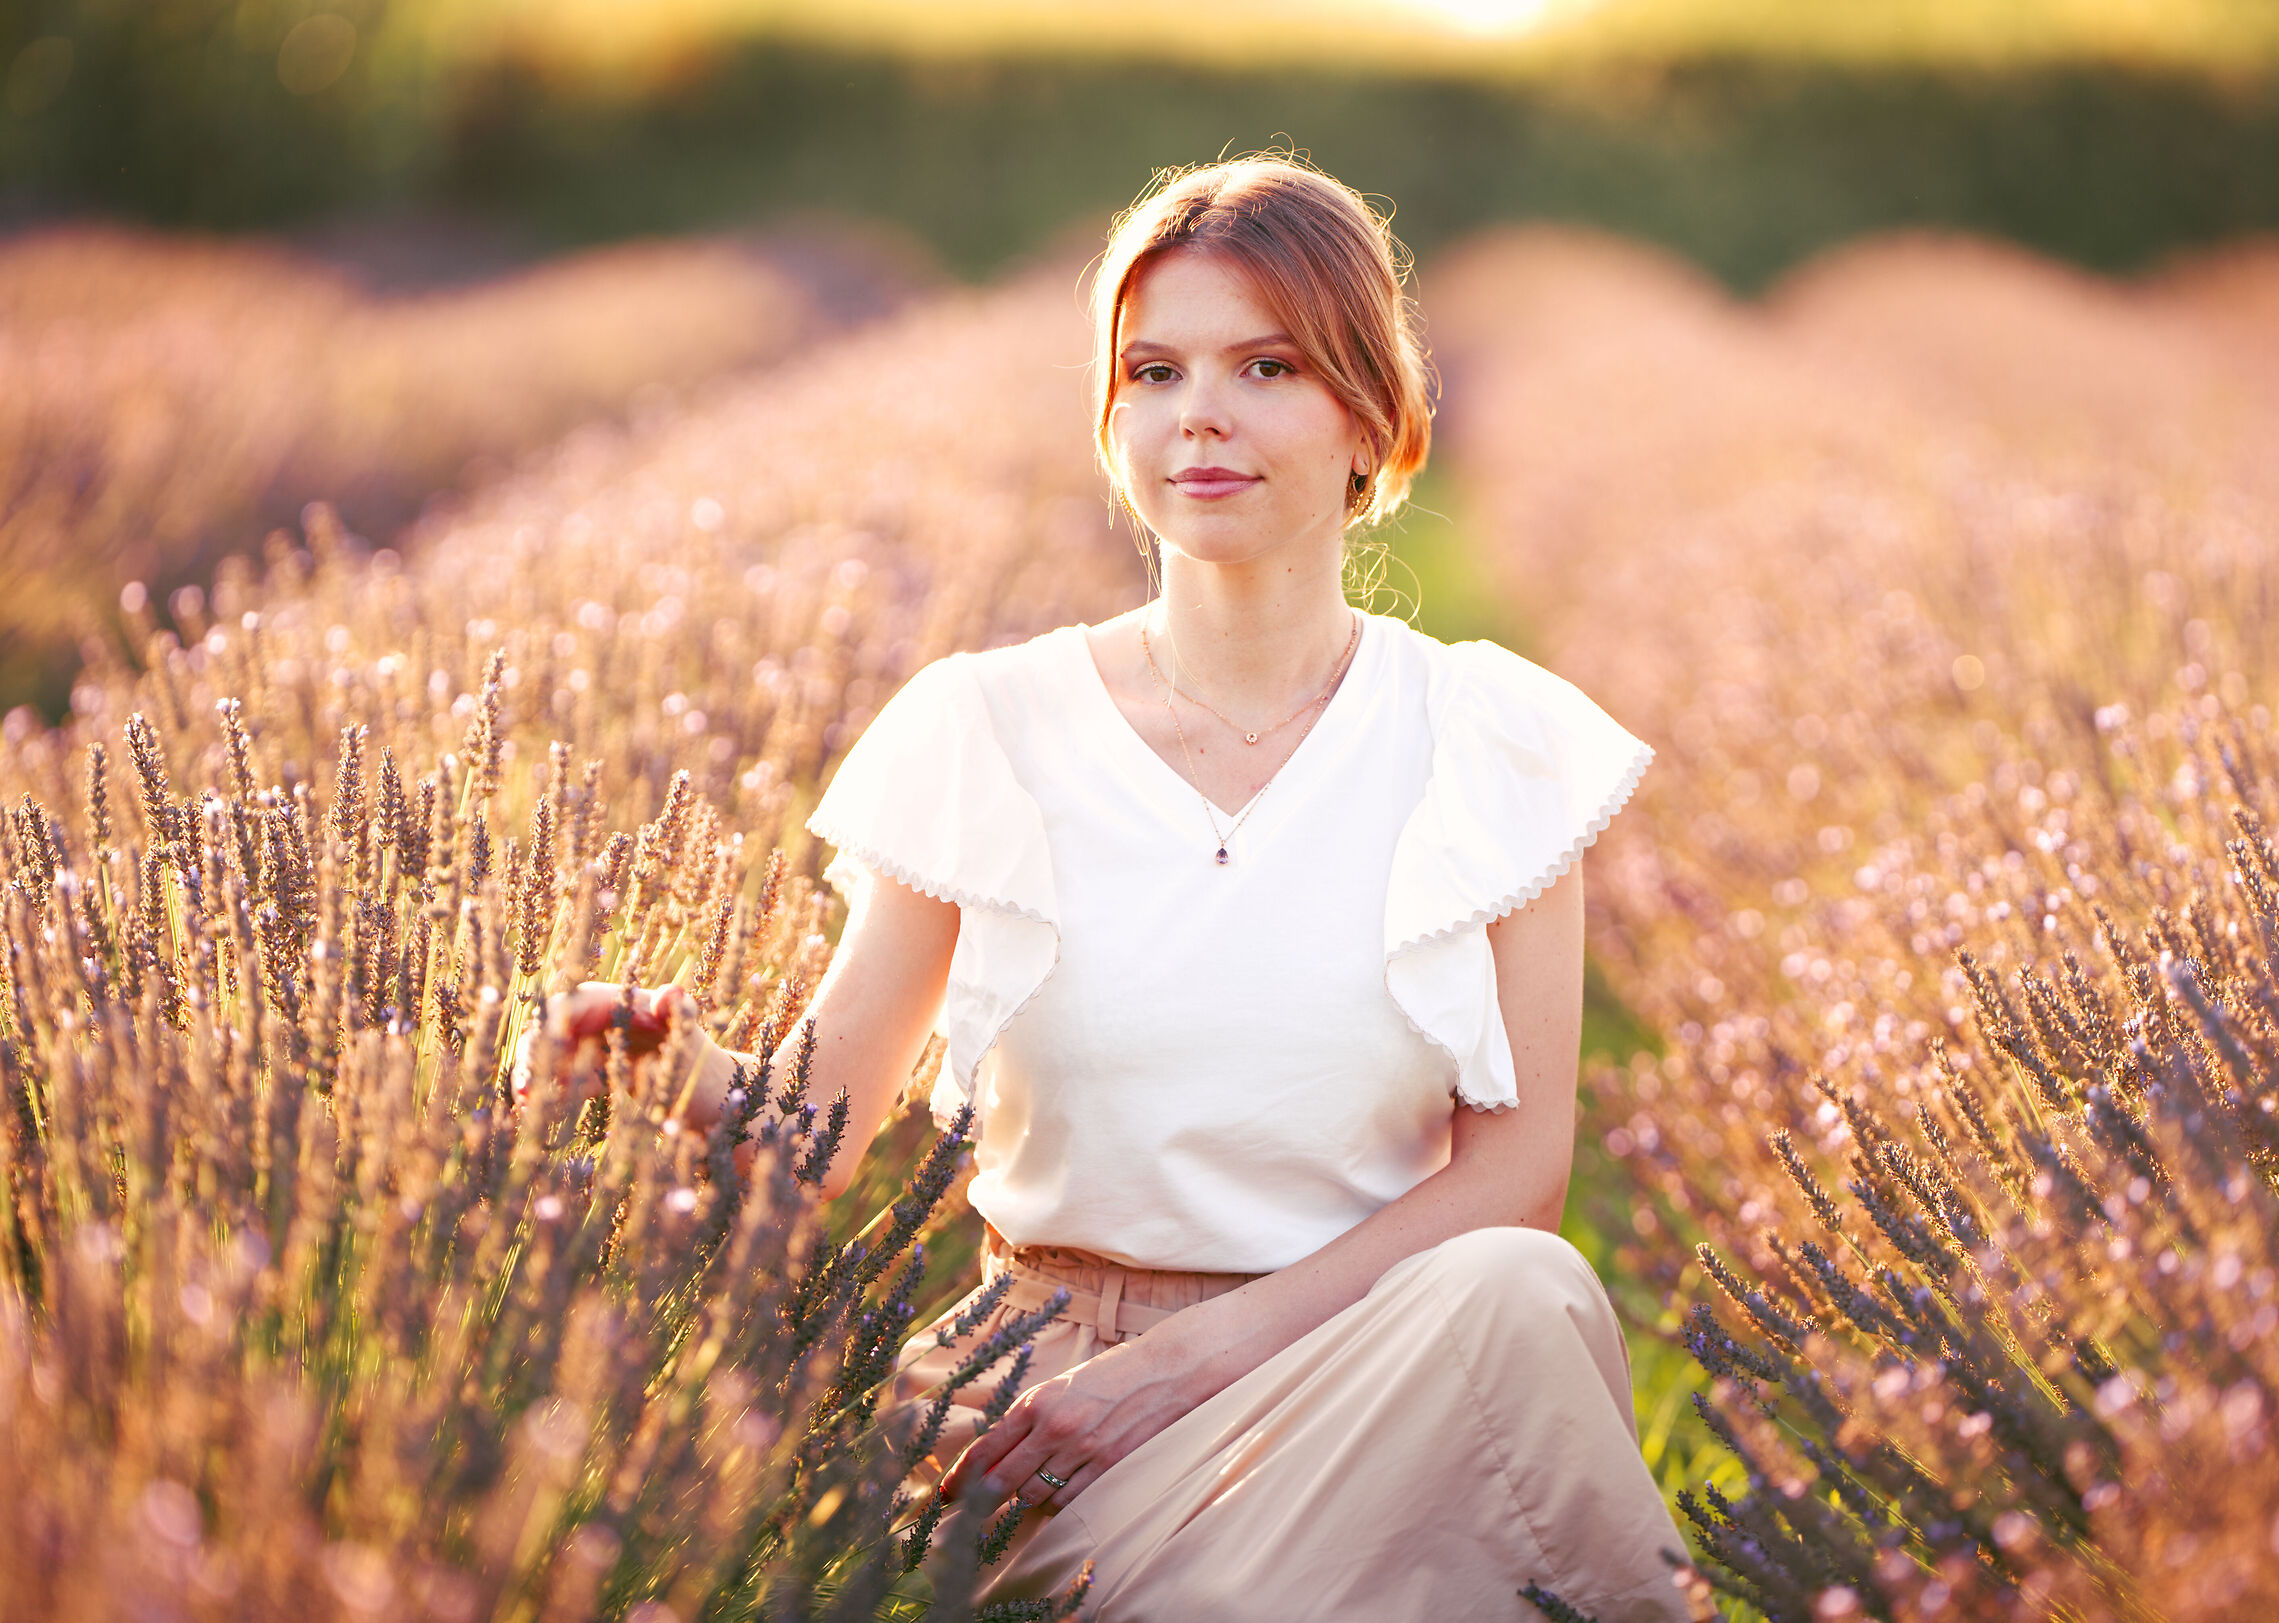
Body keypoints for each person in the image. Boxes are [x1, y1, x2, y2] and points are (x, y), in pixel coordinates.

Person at [530, 154, 1700, 1621]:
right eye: (1153, 371)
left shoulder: (1492, 740)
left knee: (1525, 1299)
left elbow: (1517, 1182)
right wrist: (674, 1068)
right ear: (1112, 424)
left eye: (1265, 364)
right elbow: (814, 1136)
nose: (1199, 411)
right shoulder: (991, 729)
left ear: (1372, 419)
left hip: (1363, 1362)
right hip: (1050, 1412)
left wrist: (1192, 1367)